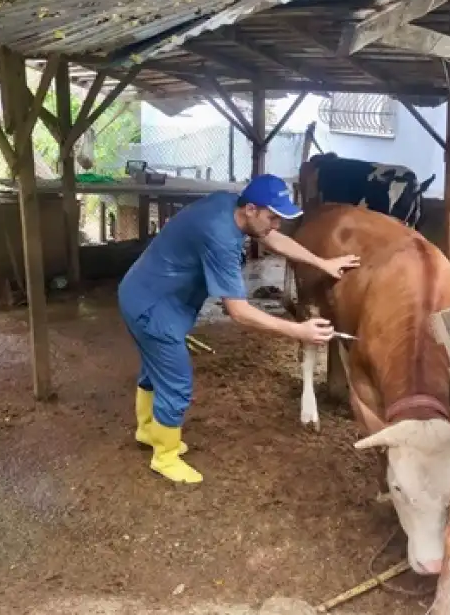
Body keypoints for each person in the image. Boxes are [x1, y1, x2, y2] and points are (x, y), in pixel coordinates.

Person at [118, 173, 360, 485]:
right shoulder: (220, 237)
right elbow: (239, 311)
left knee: (155, 370)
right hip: (153, 306)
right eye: (272, 217)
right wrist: (299, 332)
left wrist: (321, 262)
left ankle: (148, 429)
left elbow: (271, 238)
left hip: (149, 292)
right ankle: (164, 456)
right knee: (176, 382)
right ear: (251, 210)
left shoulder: (228, 204)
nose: (275, 225)